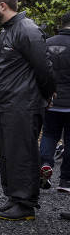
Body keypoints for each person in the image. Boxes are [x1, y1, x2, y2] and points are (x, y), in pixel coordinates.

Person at [0, 0, 55, 220]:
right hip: (9, 104)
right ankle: (14, 197)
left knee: (23, 153)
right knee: (9, 153)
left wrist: (45, 95)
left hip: (24, 104)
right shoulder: (8, 30)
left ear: (2, 6)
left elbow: (44, 68)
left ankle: (26, 204)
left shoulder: (27, 29)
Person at [42, 12, 70, 196]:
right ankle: (66, 180)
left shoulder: (47, 43)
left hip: (51, 101)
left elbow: (40, 70)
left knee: (49, 134)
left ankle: (45, 164)